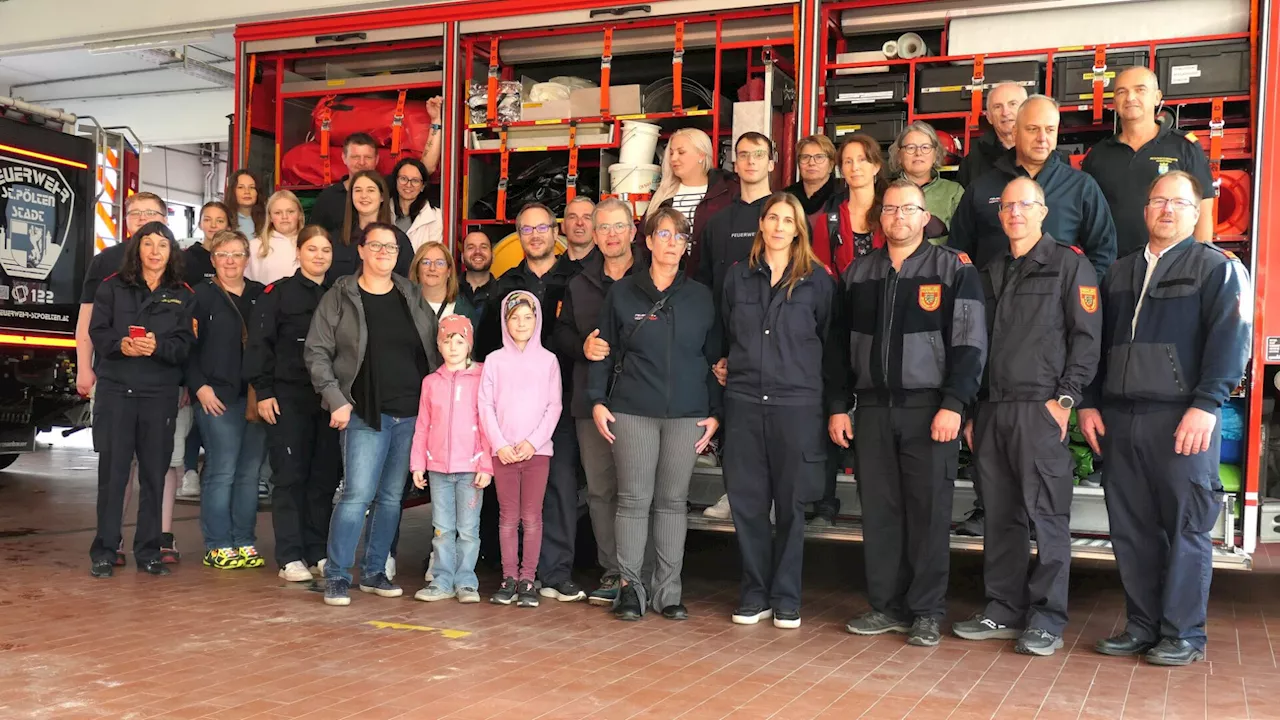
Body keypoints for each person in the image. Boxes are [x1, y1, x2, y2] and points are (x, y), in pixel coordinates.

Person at [1081, 171, 1251, 666]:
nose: (1167, 210)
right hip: (1120, 416)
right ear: (1146, 209)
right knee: (1131, 529)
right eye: (1159, 201)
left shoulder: (1217, 268)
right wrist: (1090, 401)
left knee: (1186, 528)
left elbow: (1231, 342)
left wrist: (1207, 405)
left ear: (1196, 211)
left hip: (1183, 419)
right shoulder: (1119, 272)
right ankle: (1142, 625)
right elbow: (1097, 344)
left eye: (1179, 202)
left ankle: (1183, 634)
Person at [830, 180, 986, 646]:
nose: (899, 216)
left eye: (909, 209)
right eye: (891, 209)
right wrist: (840, 406)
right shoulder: (858, 274)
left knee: (929, 513)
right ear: (880, 219)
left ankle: (925, 612)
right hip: (873, 411)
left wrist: (955, 405)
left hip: (930, 410)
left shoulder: (954, 270)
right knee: (879, 513)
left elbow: (970, 344)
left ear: (925, 218)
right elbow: (838, 349)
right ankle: (886, 606)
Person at [952, 177, 1102, 657]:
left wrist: (1065, 400)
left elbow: (1086, 338)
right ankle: (1002, 608)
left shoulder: (1069, 266)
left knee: (1047, 516)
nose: (1015, 212)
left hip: (1041, 410)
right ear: (1000, 215)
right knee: (1000, 516)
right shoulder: (991, 270)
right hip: (992, 410)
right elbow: (975, 347)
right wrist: (974, 409)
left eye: (1025, 205)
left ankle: (1046, 619)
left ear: (1043, 212)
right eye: (1008, 205)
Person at [588, 206, 722, 621]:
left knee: (671, 502)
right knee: (632, 500)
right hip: (633, 411)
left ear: (686, 247)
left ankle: (668, 592)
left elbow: (716, 359)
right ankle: (631, 589)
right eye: (662, 235)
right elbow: (601, 351)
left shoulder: (701, 297)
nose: (670, 244)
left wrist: (716, 412)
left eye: (679, 237)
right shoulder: (623, 293)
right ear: (646, 242)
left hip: (687, 414)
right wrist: (597, 399)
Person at [305, 222, 442, 606]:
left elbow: (434, 345)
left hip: (410, 413)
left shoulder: (409, 293)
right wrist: (336, 399)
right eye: (377, 246)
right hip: (364, 412)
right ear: (361, 250)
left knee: (391, 498)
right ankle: (336, 574)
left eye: (392, 247)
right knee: (356, 495)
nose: (384, 252)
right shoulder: (341, 295)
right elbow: (317, 352)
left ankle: (374, 571)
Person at [719, 192, 836, 630]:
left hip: (796, 406)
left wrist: (833, 406)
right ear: (762, 225)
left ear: (798, 229)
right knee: (748, 505)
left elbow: (831, 346)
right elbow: (725, 334)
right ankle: (754, 593)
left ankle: (786, 596)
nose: (780, 227)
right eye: (773, 218)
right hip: (746, 403)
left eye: (789, 220)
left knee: (790, 506)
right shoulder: (737, 278)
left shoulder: (818, 281)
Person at [78, 192, 186, 565]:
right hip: (116, 391)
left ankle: (149, 552)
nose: (155, 251)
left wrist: (158, 346)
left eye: (162, 245)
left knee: (154, 476)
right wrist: (120, 345)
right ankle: (105, 552)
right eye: (148, 244)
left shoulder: (182, 295)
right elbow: (98, 331)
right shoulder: (111, 286)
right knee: (113, 474)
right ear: (135, 247)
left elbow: (186, 345)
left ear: (171, 251)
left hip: (159, 395)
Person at [554, 198, 639, 606]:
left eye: (617, 227)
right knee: (602, 491)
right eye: (602, 228)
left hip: (642, 402)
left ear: (632, 231)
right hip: (591, 400)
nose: (609, 235)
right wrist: (581, 346)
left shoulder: (651, 276)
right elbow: (560, 334)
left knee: (638, 491)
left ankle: (639, 572)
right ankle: (612, 571)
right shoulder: (580, 281)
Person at [246, 225, 341, 582]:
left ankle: (317, 550)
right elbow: (259, 345)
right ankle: (289, 555)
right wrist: (264, 391)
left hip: (328, 401)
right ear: (298, 253)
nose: (319, 256)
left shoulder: (339, 295)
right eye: (312, 249)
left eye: (325, 250)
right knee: (289, 476)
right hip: (288, 397)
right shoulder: (277, 294)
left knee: (323, 477)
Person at [949, 95, 1117, 280]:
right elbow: (958, 254)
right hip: (993, 304)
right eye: (1033, 129)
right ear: (1015, 132)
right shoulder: (981, 188)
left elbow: (1103, 252)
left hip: (1059, 305)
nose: (1042, 138)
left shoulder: (1081, 186)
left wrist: (1081, 295)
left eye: (1050, 130)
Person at [187, 229, 268, 571]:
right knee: (222, 470)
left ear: (247, 259)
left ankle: (244, 541)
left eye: (237, 254)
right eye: (223, 254)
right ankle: (219, 544)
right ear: (213, 259)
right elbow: (186, 347)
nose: (230, 261)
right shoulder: (200, 296)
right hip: (216, 398)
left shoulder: (261, 296)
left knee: (249, 474)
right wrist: (199, 388)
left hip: (254, 398)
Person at [479, 291, 562, 607]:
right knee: (507, 517)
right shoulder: (495, 360)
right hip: (504, 454)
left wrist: (533, 442)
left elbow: (554, 405)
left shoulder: (548, 361)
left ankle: (528, 578)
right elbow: (485, 404)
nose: (522, 323)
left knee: (531, 516)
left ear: (538, 319)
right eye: (515, 317)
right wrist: (499, 444)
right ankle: (508, 577)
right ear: (505, 321)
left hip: (537, 453)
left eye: (528, 317)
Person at [1082, 67, 1216, 258]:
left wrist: (1201, 265)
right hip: (1112, 270)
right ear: (1114, 102)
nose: (1130, 97)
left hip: (1171, 268)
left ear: (1157, 97)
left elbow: (1203, 211)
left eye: (1140, 90)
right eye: (1122, 92)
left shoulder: (1185, 147)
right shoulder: (1097, 155)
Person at [410, 314, 493, 604]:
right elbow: (422, 425)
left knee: (468, 530)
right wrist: (418, 462)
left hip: (471, 469)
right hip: (438, 469)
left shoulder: (482, 378)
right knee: (442, 529)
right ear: (439, 346)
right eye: (448, 341)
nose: (454, 347)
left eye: (460, 341)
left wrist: (486, 464)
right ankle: (442, 579)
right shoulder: (431, 382)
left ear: (469, 345)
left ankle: (466, 581)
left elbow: (487, 422)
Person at [645, 128, 739, 277]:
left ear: (701, 154)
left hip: (715, 284)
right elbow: (642, 242)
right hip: (670, 286)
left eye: (681, 152)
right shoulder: (662, 197)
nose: (674, 158)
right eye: (671, 153)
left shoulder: (728, 192)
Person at [808, 134, 888, 275]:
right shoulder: (827, 222)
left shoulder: (891, 215)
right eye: (848, 162)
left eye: (862, 160)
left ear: (876, 167)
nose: (855, 167)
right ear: (842, 171)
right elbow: (820, 276)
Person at [889, 121, 964, 243]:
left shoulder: (954, 192)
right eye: (911, 148)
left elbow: (964, 240)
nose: (918, 153)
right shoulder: (887, 193)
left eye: (925, 147)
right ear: (899, 155)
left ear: (935, 154)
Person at [332, 170, 414, 282]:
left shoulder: (399, 239)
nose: (364, 196)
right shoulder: (337, 238)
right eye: (358, 190)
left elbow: (407, 283)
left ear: (382, 197)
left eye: (370, 190)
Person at [957, 82, 1028, 189]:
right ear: (989, 117)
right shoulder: (972, 162)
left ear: (1027, 110)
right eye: (997, 107)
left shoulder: (1043, 151)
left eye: (1012, 104)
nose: (1005, 112)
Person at [309, 133, 380, 238]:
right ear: (344, 158)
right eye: (355, 157)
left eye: (368, 157)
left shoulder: (386, 192)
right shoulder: (328, 197)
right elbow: (313, 237)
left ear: (376, 160)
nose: (361, 162)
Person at [409, 241, 476, 323]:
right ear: (417, 269)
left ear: (448, 271)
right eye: (426, 262)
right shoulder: (404, 306)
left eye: (440, 263)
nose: (432, 268)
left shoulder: (465, 311)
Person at [247, 191, 304, 284]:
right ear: (270, 218)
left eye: (290, 211)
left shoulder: (312, 244)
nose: (284, 217)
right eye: (278, 213)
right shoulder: (254, 246)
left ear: (300, 215)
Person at [390, 157, 443, 251]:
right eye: (403, 178)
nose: (408, 185)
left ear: (423, 186)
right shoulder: (382, 210)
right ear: (395, 181)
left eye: (415, 181)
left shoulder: (436, 216)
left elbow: (433, 254)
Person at [784, 135, 840, 216]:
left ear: (831, 164)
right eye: (805, 157)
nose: (811, 163)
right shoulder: (786, 197)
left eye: (819, 157)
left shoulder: (842, 198)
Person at [185, 201, 228, 287]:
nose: (213, 225)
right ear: (200, 224)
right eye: (207, 220)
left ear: (229, 226)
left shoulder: (234, 258)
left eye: (220, 221)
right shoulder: (187, 257)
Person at [459, 231, 497, 329]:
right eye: (471, 247)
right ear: (462, 257)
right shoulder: (449, 291)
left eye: (484, 247)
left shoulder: (503, 294)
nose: (477, 252)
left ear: (493, 256)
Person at [225, 169, 265, 238]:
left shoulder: (268, 220)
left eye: (251, 187)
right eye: (241, 187)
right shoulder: (224, 219)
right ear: (232, 191)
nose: (247, 192)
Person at [562, 197, 598, 262]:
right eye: (572, 217)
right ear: (563, 226)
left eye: (587, 217)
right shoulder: (551, 268)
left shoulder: (609, 267)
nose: (579, 223)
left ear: (596, 227)